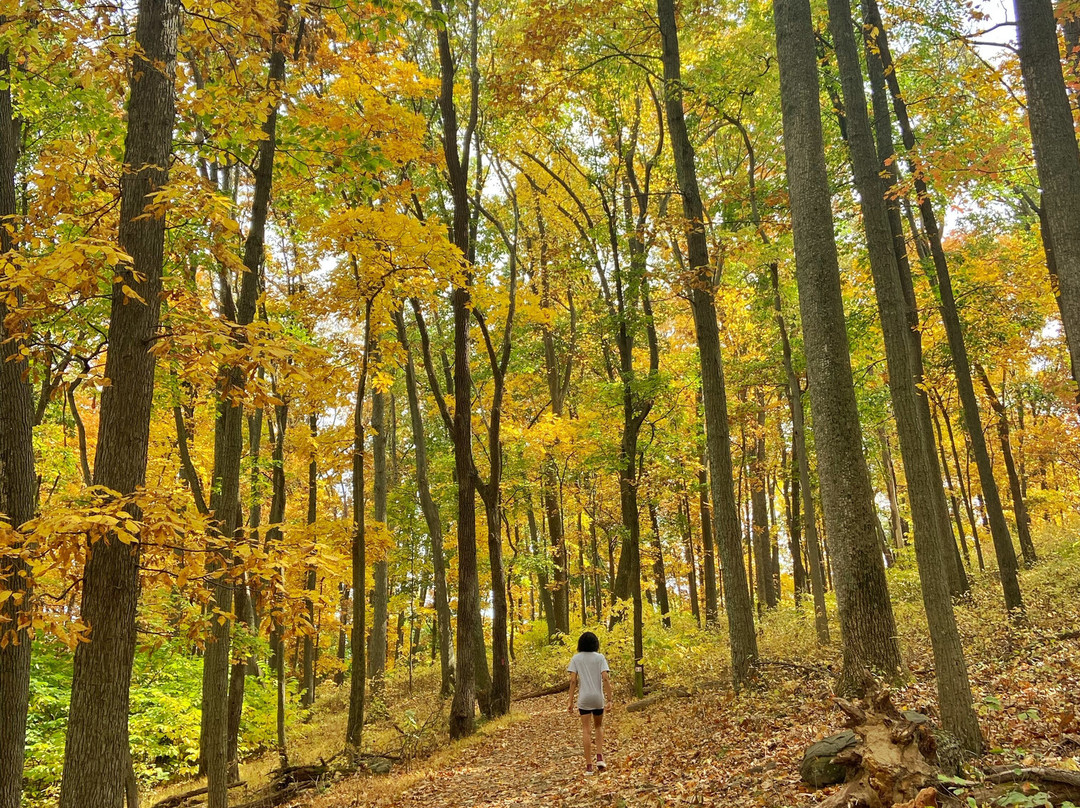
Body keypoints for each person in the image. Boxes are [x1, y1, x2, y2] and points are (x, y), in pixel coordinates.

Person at [567, 631, 613, 776]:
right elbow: (605, 678)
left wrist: (570, 701)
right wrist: (610, 698)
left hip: (584, 698)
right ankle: (599, 756)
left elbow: (573, 680)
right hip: (598, 697)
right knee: (599, 726)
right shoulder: (600, 658)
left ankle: (588, 767)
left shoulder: (576, 658)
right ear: (595, 643)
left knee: (586, 730)